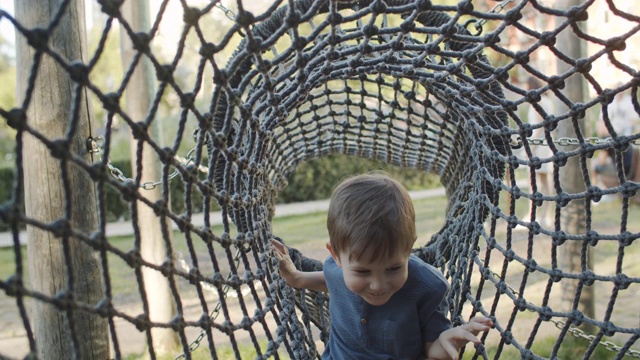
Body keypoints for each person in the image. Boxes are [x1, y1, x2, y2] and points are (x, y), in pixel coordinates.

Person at [271, 172, 493, 360]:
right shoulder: (335, 269)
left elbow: (431, 351)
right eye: (363, 271)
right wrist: (297, 278)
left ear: (409, 249)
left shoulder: (429, 287)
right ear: (336, 256)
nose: (377, 285)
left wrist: (446, 342)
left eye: (393, 268)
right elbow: (331, 280)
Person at [524, 77, 555, 226]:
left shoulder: (538, 102)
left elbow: (539, 126)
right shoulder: (547, 101)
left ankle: (533, 214)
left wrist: (530, 147)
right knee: (544, 180)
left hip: (539, 145)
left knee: (534, 181)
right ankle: (545, 215)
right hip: (546, 144)